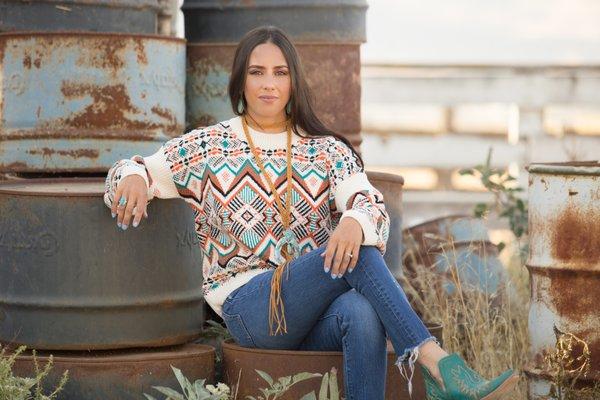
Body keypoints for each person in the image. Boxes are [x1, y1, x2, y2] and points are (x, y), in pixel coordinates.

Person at [104, 25, 518, 400]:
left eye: (280, 73)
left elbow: (370, 204)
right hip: (249, 308)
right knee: (359, 255)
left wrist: (354, 221)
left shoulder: (326, 151)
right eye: (257, 72)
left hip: (315, 312)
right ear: (240, 81)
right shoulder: (209, 147)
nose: (269, 84)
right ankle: (436, 363)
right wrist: (136, 177)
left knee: (360, 308)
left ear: (294, 81)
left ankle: (426, 370)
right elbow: (129, 168)